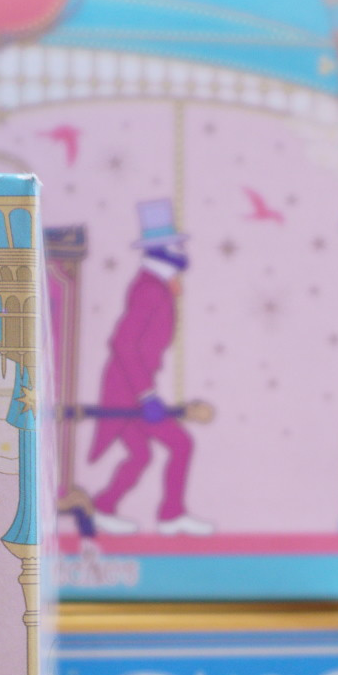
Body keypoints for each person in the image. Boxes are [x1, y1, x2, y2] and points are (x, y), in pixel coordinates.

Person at [87, 199, 213, 535]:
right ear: (162, 251)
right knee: (181, 444)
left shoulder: (157, 286)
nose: (182, 251)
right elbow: (123, 343)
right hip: (128, 390)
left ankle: (104, 506)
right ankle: (171, 515)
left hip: (131, 386)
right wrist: (146, 395)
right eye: (176, 245)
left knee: (141, 455)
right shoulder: (149, 290)